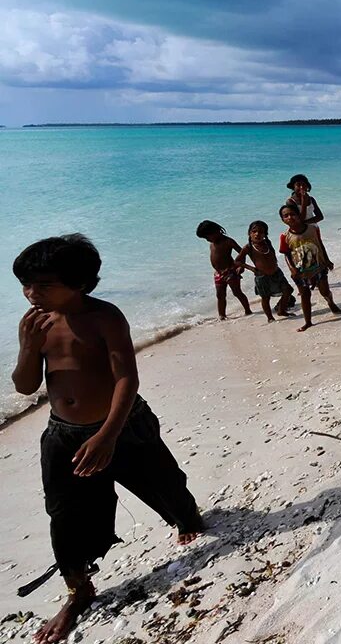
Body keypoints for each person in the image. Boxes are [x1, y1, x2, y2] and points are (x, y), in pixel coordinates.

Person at [11, 235, 204, 644]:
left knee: (164, 484)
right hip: (63, 434)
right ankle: (78, 590)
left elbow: (126, 379)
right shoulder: (36, 325)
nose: (31, 294)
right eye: (26, 285)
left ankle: (186, 519)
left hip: (123, 425)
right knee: (65, 516)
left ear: (79, 283)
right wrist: (28, 348)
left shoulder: (105, 318)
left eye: (43, 285)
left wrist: (107, 435)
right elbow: (26, 387)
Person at [278, 202, 341, 332]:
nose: (290, 217)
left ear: (299, 215)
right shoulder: (285, 236)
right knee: (305, 295)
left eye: (292, 214)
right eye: (286, 216)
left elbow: (320, 244)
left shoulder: (313, 229)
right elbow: (286, 255)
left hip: (319, 266)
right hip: (301, 271)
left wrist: (327, 260)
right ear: (282, 220)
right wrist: (292, 269)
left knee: (324, 291)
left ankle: (330, 302)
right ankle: (308, 322)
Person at [236, 220, 295, 322]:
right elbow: (237, 261)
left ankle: (281, 310)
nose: (257, 234)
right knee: (265, 297)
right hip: (262, 276)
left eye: (261, 232)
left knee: (288, 290)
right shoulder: (248, 247)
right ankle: (270, 317)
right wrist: (252, 269)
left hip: (276, 272)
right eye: (254, 231)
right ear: (249, 233)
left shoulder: (267, 242)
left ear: (265, 234)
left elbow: (271, 254)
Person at [195, 220, 252, 320]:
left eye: (208, 237)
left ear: (216, 231)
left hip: (230, 271)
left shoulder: (228, 241)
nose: (207, 240)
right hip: (218, 273)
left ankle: (247, 310)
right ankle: (222, 315)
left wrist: (241, 266)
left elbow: (242, 253)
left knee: (237, 292)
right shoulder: (212, 244)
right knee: (220, 295)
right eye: (205, 238)